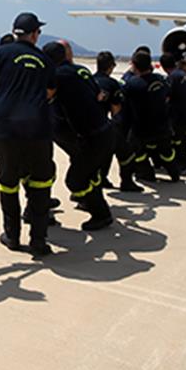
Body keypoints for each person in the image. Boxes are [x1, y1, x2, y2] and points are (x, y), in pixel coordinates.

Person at [0, 12, 56, 257]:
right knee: (40, 183)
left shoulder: (0, 54)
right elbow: (50, 92)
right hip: (38, 131)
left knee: (8, 183)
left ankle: (12, 235)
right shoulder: (44, 60)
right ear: (34, 34)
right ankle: (39, 241)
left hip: (6, 130)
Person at [42, 42, 115, 230]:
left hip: (91, 136)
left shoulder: (57, 77)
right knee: (89, 172)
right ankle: (92, 203)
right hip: (104, 130)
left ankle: (101, 214)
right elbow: (99, 95)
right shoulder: (81, 71)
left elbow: (45, 96)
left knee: (75, 180)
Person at [121, 51, 181, 182]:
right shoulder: (160, 80)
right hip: (162, 124)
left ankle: (146, 173)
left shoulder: (132, 84)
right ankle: (174, 173)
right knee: (167, 152)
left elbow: (123, 103)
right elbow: (168, 96)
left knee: (137, 151)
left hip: (142, 128)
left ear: (135, 66)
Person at [92, 50, 140, 191]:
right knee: (126, 154)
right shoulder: (112, 84)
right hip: (105, 124)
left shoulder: (89, 79)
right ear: (111, 66)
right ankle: (127, 182)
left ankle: (102, 179)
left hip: (89, 125)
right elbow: (116, 109)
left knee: (103, 154)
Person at [161, 52, 186, 170]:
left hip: (182, 117)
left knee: (174, 141)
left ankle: (183, 160)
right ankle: (184, 159)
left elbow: (166, 98)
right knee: (182, 141)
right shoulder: (183, 75)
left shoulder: (172, 78)